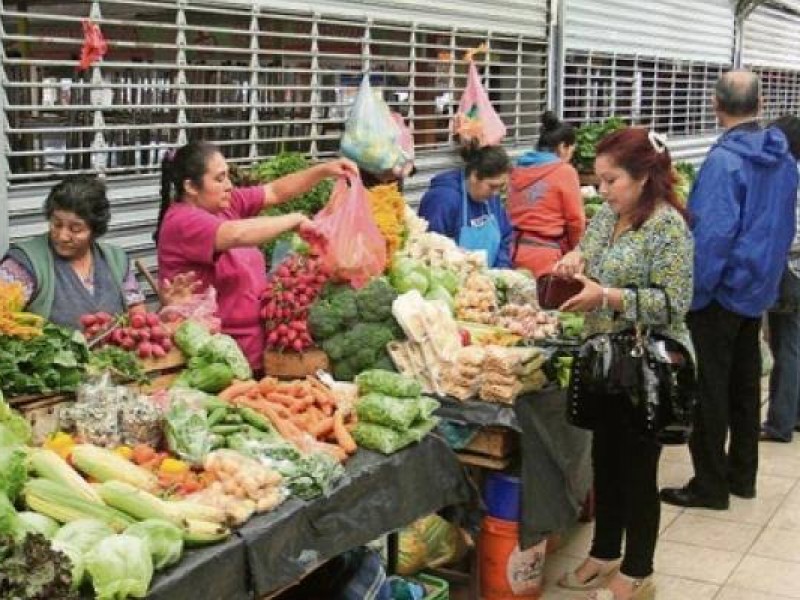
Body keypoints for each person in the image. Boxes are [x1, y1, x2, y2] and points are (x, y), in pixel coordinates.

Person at [554, 127, 694, 600]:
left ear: (643, 177)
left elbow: (674, 303)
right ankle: (602, 554)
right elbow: (589, 253)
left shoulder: (666, 226)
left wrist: (607, 296)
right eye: (598, 179)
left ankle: (637, 572)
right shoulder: (606, 217)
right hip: (605, 359)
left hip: (648, 367)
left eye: (611, 180)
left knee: (638, 469)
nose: (601, 189)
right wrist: (574, 261)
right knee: (605, 460)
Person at [661, 71, 798, 510]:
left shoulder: (725, 162)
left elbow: (712, 237)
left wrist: (694, 294)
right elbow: (781, 226)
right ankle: (743, 476)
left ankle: (710, 484)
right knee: (743, 384)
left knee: (710, 388)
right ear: (760, 103)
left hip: (720, 292)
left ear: (715, 103)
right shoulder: (784, 158)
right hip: (758, 287)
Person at [155, 141, 357, 371]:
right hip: (215, 358)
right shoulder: (182, 221)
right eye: (219, 179)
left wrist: (324, 170)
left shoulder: (225, 206)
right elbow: (236, 234)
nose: (229, 186)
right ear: (191, 187)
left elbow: (274, 191)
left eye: (228, 176)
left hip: (253, 349)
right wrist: (294, 220)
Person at [0, 175, 145, 330]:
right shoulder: (24, 264)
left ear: (95, 230)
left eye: (75, 229)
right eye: (56, 224)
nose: (62, 236)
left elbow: (136, 309)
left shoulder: (116, 259)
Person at [508, 111, 585, 276]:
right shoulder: (565, 171)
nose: (570, 156)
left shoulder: (518, 168)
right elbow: (575, 220)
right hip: (545, 255)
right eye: (571, 150)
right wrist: (576, 251)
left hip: (513, 250)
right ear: (563, 146)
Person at [761, 115, 800, 442]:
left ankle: (779, 423)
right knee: (796, 343)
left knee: (785, 344)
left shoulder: (786, 176)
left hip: (789, 270)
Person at [417, 144, 513, 268]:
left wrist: (499, 271)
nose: (496, 193)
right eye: (492, 186)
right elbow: (429, 249)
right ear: (474, 176)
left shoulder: (491, 198)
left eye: (501, 187)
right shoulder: (442, 199)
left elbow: (505, 236)